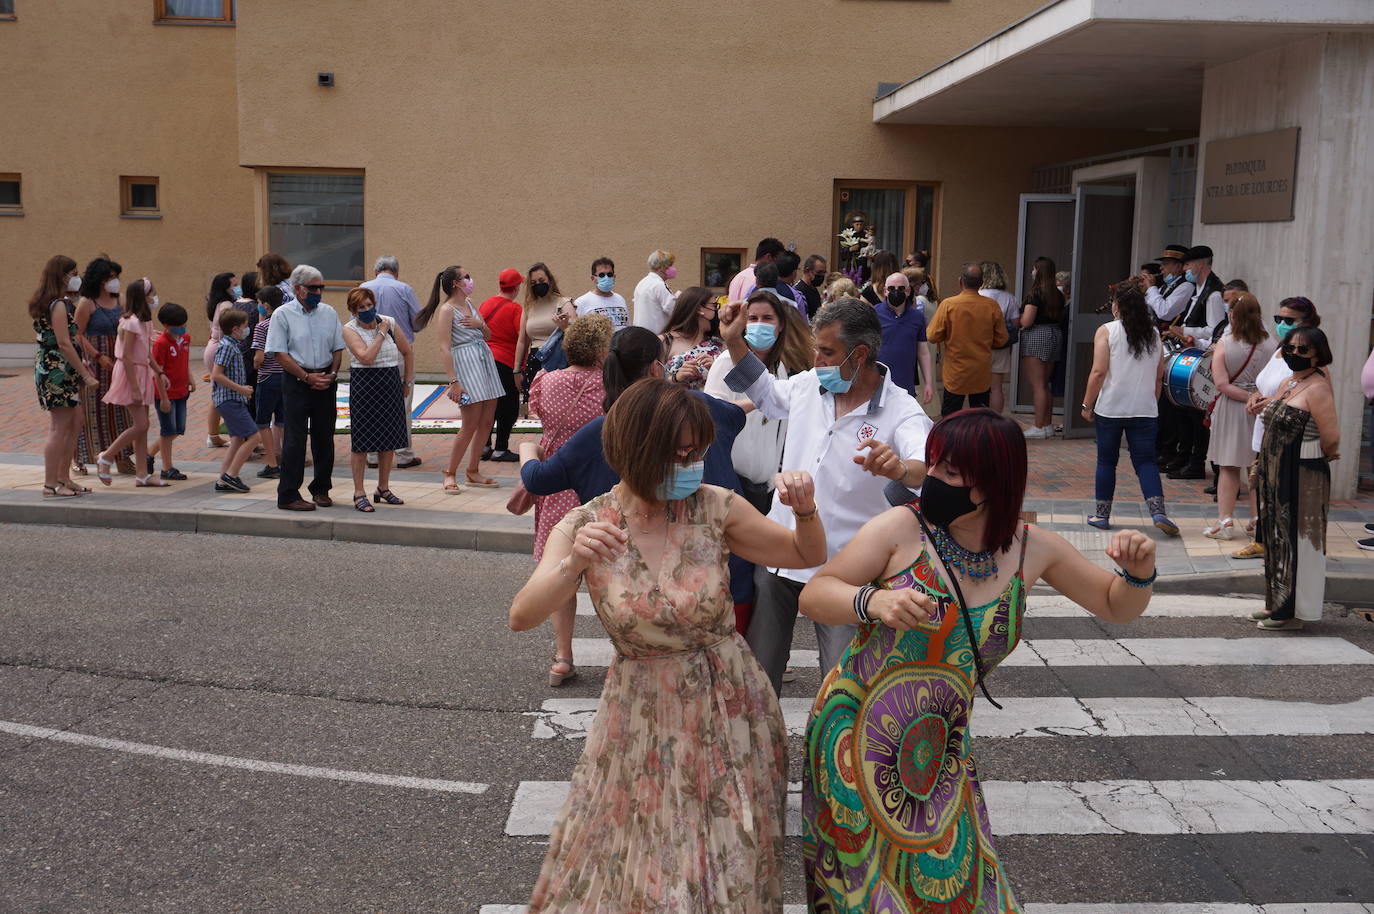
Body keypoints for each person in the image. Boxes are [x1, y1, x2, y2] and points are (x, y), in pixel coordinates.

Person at [799, 408, 1157, 911]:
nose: (933, 482)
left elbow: (1116, 605)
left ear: (992, 481)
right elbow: (816, 594)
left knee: (965, 890)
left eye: (949, 472)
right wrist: (873, 602)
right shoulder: (902, 528)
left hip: (940, 748)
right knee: (871, 897)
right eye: (934, 466)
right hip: (853, 740)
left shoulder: (1034, 549)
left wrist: (1140, 573)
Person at [510, 379, 826, 912]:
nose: (694, 463)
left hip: (729, 708)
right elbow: (523, 615)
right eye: (682, 453)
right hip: (638, 719)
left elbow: (801, 553)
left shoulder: (716, 508)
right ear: (639, 449)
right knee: (643, 865)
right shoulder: (588, 523)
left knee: (725, 863)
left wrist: (807, 509)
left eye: (699, 451)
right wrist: (573, 564)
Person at [720, 297, 933, 693]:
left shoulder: (901, 411)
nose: (816, 358)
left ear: (861, 353)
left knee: (842, 685)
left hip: (846, 569)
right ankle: (760, 752)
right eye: (816, 348)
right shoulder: (807, 385)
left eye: (827, 351)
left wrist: (900, 469)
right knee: (758, 679)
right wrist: (735, 343)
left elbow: (923, 464)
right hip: (781, 554)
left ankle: (836, 754)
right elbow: (766, 394)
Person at [525, 314, 613, 686]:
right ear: (600, 351)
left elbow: (537, 416)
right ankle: (623, 651)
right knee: (610, 573)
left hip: (556, 482)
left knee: (562, 573)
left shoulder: (546, 381)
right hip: (598, 481)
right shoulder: (608, 385)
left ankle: (563, 656)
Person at [1254, 326, 1340, 631]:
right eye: (1290, 348)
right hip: (1277, 469)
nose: (1295, 354)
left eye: (1304, 350)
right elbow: (1270, 407)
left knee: (1299, 541)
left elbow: (1331, 437)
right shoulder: (1291, 381)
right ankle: (1275, 603)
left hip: (1304, 471)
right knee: (1276, 537)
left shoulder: (1318, 387)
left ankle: (1293, 613)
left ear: (1318, 354)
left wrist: (1318, 457)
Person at [1079, 280, 1177, 534]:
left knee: (1106, 461)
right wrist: (1151, 402)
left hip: (1111, 408)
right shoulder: (1154, 334)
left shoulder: (1107, 331)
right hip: (1144, 408)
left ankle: (1102, 516)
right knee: (1146, 462)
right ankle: (1158, 512)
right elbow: (1159, 376)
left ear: (1117, 306)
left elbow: (1098, 372)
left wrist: (1087, 404)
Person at [705, 290, 814, 512]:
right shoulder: (727, 363)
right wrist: (760, 400)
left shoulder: (780, 367)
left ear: (781, 325)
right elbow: (712, 411)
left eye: (767, 318)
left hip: (766, 485)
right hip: (733, 480)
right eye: (753, 318)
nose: (759, 324)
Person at [1232, 296, 1321, 559]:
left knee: (1280, 491)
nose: (1282, 325)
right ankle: (1263, 538)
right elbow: (1266, 384)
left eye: (1288, 320)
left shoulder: (1308, 353)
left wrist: (1269, 401)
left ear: (1306, 322)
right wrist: (1254, 397)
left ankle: (1279, 543)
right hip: (1265, 426)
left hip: (1286, 430)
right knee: (1262, 486)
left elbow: (1303, 389)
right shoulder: (1281, 348)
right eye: (1278, 319)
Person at [264, 264, 346, 511]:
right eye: (313, 287)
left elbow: (337, 348)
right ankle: (288, 494)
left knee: (324, 438)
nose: (319, 292)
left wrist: (331, 374)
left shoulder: (329, 313)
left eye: (321, 287)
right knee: (294, 440)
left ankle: (321, 489)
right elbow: (279, 353)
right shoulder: (282, 314)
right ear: (298, 289)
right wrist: (306, 377)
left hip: (325, 378)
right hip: (297, 381)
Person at [414, 264, 503, 493]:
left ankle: (473, 470)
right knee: (469, 423)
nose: (470, 280)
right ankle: (450, 472)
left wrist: (479, 324)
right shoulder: (447, 310)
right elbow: (445, 347)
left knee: (486, 421)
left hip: (484, 362)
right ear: (455, 283)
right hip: (465, 366)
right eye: (466, 277)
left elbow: (489, 334)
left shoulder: (471, 304)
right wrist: (454, 381)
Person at [1203, 292, 1277, 539]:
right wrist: (1258, 397)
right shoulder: (1271, 344)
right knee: (1257, 467)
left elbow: (1221, 384)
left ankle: (1225, 522)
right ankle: (1257, 520)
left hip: (1233, 408)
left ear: (1233, 314)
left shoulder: (1225, 343)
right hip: (1264, 408)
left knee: (1228, 467)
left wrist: (1247, 398)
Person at [30, 255, 98, 498]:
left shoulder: (58, 302)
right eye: (73, 272)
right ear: (62, 275)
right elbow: (64, 343)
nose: (76, 277)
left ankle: (64, 477)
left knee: (75, 421)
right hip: (56, 371)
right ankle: (50, 483)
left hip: (62, 369)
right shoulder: (57, 304)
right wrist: (85, 374)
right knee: (59, 427)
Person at [342, 287, 413, 512]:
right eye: (361, 307)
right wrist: (381, 333)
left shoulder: (389, 321)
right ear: (353, 311)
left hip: (390, 380)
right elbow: (366, 357)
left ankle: (383, 487)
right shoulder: (349, 329)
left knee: (389, 438)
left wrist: (407, 381)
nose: (366, 310)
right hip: (365, 384)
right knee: (362, 440)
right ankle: (359, 492)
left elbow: (407, 351)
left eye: (369, 305)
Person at [95, 278, 168, 488]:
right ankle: (107, 456)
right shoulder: (130, 322)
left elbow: (146, 353)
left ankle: (142, 474)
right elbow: (127, 356)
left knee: (143, 427)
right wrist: (135, 387)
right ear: (143, 296)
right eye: (152, 293)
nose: (155, 296)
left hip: (142, 371)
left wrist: (159, 372)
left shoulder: (145, 321)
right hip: (130, 373)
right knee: (141, 424)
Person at [1169, 244, 1228, 480]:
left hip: (1203, 359)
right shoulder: (1200, 290)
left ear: (1200, 264)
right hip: (1193, 355)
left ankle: (1196, 463)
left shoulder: (1213, 294)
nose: (1185, 269)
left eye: (1187, 265)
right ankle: (1184, 457)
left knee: (1197, 415)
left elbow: (1215, 331)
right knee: (1184, 411)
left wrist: (1185, 330)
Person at [360, 255, 424, 469]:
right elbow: (417, 322)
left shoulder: (363, 287)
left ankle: (371, 455)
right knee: (402, 403)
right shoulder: (404, 288)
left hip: (368, 351)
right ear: (396, 271)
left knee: (371, 403)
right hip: (398, 350)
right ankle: (404, 455)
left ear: (375, 270)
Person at [74, 256, 133, 475]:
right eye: (110, 277)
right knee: (94, 411)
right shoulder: (87, 303)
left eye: (116, 277)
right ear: (99, 279)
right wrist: (97, 355)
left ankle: (122, 456)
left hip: (119, 360)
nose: (115, 281)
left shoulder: (122, 300)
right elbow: (77, 335)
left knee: (121, 409)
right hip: (96, 363)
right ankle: (81, 457)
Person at [927, 262, 1008, 417]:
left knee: (951, 417)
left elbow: (932, 335)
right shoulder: (991, 306)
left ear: (960, 281)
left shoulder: (948, 305)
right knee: (979, 417)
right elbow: (1002, 339)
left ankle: (951, 441)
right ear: (982, 282)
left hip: (955, 373)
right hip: (981, 373)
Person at [1144, 244, 1195, 472]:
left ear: (1178, 266)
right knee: (1159, 401)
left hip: (1173, 349)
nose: (1162, 269)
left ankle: (1170, 449)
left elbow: (1165, 311)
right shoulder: (1165, 287)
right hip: (1156, 345)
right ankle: (1159, 448)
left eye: (1165, 265)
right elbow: (1150, 311)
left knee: (1168, 403)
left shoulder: (1185, 287)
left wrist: (1152, 290)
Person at [209, 309, 261, 493]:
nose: (248, 330)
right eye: (246, 327)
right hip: (229, 399)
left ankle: (224, 479)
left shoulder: (233, 345)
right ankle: (231, 475)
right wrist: (241, 389)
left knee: (238, 439)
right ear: (236, 329)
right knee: (254, 436)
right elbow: (216, 374)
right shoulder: (226, 346)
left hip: (233, 399)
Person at [479, 268, 526, 462]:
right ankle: (500, 449)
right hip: (505, 362)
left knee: (487, 405)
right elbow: (522, 337)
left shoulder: (485, 304)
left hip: (484, 360)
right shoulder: (516, 310)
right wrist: (521, 368)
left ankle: (484, 446)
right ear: (515, 288)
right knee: (508, 406)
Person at [1017, 255, 1066, 438]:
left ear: (1039, 272)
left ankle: (1038, 426)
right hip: (1054, 334)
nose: (1032, 271)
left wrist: (1018, 319)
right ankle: (1047, 424)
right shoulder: (1058, 294)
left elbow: (1027, 321)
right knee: (1045, 384)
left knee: (1037, 385)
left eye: (1034, 268)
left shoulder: (1035, 294)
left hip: (1037, 335)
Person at [875, 271, 935, 404]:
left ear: (908, 291)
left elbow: (923, 352)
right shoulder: (874, 314)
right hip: (877, 386)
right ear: (885, 291)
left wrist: (929, 383)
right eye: (891, 288)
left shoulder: (917, 317)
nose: (896, 291)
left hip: (905, 387)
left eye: (901, 288)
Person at [150, 302, 194, 481]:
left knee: (178, 429)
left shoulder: (186, 339)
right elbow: (157, 373)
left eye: (184, 325)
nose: (183, 328)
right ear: (167, 326)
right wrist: (164, 398)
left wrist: (190, 378)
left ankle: (149, 452)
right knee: (167, 431)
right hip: (166, 395)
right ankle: (167, 468)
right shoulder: (160, 344)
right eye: (179, 326)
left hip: (182, 391)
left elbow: (185, 361)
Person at [515, 261, 573, 391]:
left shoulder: (563, 303)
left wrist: (565, 327)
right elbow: (522, 341)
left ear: (550, 280)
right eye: (533, 283)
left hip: (558, 359)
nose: (538, 285)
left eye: (541, 280)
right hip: (535, 359)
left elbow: (576, 335)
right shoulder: (529, 307)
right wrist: (517, 370)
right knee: (534, 406)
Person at [201, 271, 239, 448]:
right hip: (219, 349)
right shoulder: (226, 305)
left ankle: (213, 436)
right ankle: (223, 435)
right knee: (225, 395)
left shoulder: (219, 303)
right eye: (234, 285)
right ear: (225, 288)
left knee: (217, 395)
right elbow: (227, 330)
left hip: (213, 348)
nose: (237, 287)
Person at [250, 286, 285, 479]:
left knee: (263, 422)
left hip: (267, 378)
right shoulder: (286, 324)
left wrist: (256, 365)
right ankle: (287, 459)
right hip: (285, 376)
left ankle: (272, 463)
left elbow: (259, 357)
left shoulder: (262, 327)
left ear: (265, 305)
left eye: (258, 304)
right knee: (282, 420)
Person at [660, 287, 724, 390]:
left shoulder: (718, 342)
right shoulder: (665, 341)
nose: (716, 310)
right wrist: (676, 378)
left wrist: (716, 368)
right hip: (676, 403)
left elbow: (732, 381)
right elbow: (650, 381)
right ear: (699, 309)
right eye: (714, 305)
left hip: (711, 403)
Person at [980, 260, 1019, 413]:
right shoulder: (1009, 297)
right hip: (1001, 345)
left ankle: (981, 420)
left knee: (980, 386)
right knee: (997, 387)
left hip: (980, 345)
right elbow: (1016, 323)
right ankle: (996, 420)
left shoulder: (978, 295)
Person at [630, 249, 677, 334]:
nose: (673, 268)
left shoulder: (641, 283)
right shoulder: (659, 285)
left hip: (639, 335)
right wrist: (679, 298)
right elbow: (673, 310)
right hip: (656, 336)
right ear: (661, 267)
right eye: (670, 265)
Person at [574, 256, 629, 329]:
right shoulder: (582, 302)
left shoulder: (620, 299)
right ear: (593, 278)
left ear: (614, 277)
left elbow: (627, 327)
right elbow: (576, 331)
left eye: (609, 275)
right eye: (602, 275)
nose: (606, 278)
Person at [727, 237, 785, 303]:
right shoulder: (763, 278)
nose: (780, 263)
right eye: (779, 259)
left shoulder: (738, 277)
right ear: (769, 257)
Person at [795, 254, 827, 319]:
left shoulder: (813, 289)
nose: (822, 276)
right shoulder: (798, 292)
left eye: (824, 273)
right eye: (819, 272)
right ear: (808, 271)